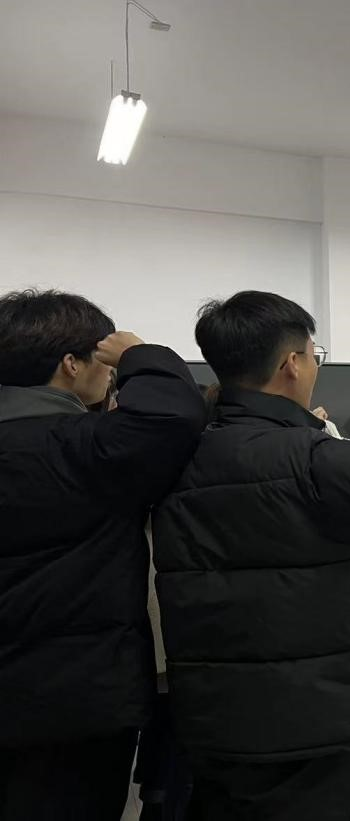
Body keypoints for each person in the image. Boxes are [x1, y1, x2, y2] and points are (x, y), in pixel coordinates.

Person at [152, 290, 350, 821]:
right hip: (300, 720)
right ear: (292, 363)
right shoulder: (309, 460)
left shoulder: (181, 453)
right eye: (314, 355)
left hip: (211, 707)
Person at [0, 289, 205, 821]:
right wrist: (140, 354)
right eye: (102, 361)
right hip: (79, 695)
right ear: (71, 365)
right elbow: (177, 414)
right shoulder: (89, 447)